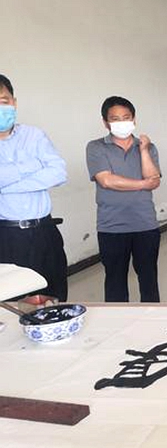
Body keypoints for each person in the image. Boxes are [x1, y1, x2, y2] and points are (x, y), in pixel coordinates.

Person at [86, 96, 161, 302]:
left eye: (126, 117)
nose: (122, 122)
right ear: (105, 123)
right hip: (112, 227)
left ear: (134, 119)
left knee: (149, 280)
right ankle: (116, 320)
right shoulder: (96, 147)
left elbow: (154, 179)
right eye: (115, 119)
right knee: (115, 283)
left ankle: (152, 317)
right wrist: (144, 184)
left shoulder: (148, 147)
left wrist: (143, 150)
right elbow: (107, 180)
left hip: (145, 225)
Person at [0, 74, 68, 301]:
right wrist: (32, 165)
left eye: (3, 101)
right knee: (11, 303)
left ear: (14, 102)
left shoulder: (34, 135)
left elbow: (58, 173)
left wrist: (5, 187)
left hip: (44, 232)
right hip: (6, 236)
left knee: (55, 298)